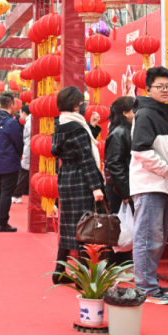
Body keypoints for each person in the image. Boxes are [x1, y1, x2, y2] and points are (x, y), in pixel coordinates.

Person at [130, 66, 168, 305]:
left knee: (156, 236)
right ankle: (145, 288)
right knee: (148, 236)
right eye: (159, 86)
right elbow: (140, 151)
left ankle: (149, 283)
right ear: (148, 89)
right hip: (150, 184)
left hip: (161, 184)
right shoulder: (146, 113)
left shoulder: (161, 113)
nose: (165, 90)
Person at [50, 86, 105, 280]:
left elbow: (74, 148)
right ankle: (82, 277)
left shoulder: (61, 123)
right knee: (84, 227)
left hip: (66, 177)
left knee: (69, 225)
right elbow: (86, 158)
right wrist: (96, 187)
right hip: (81, 179)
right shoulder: (77, 127)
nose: (84, 106)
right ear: (75, 105)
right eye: (82, 103)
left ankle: (59, 271)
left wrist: (92, 127)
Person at [103, 96, 137, 266]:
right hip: (118, 187)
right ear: (125, 113)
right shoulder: (119, 133)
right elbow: (115, 164)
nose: (137, 113)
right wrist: (124, 192)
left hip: (122, 185)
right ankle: (112, 263)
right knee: (117, 225)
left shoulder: (125, 130)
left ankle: (122, 261)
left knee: (125, 223)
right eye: (134, 109)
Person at [0, 94, 24, 232]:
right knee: (6, 192)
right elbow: (19, 143)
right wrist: (18, 155)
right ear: (12, 105)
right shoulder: (11, 122)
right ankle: (2, 222)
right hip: (9, 160)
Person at [12, 105, 32, 204]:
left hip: (29, 149)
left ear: (24, 112)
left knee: (24, 173)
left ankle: (17, 195)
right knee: (24, 173)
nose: (20, 115)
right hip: (29, 148)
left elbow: (32, 135)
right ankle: (17, 194)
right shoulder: (30, 120)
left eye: (20, 112)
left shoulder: (29, 121)